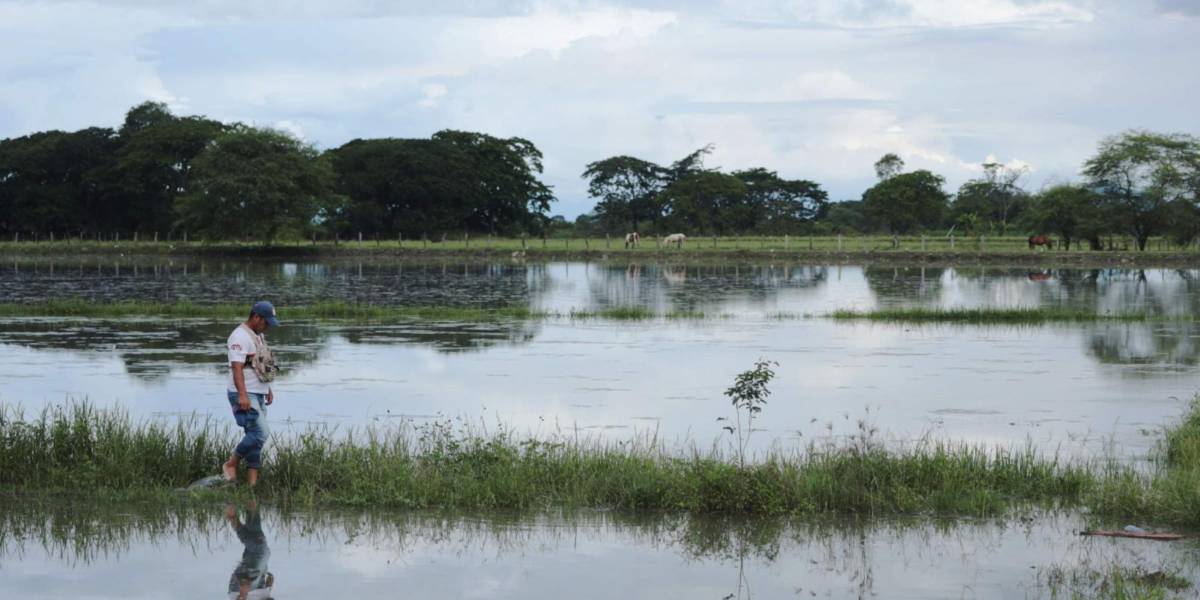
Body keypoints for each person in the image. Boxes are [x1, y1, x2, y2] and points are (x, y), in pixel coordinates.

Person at [222, 300, 280, 486]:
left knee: (255, 439)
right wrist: (243, 396)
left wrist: (268, 388)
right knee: (262, 433)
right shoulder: (239, 337)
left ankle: (251, 485)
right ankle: (231, 463)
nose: (268, 327)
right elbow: (237, 368)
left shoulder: (258, 335)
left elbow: (260, 365)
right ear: (256, 317)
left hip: (259, 392)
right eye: (266, 322)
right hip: (245, 394)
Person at [224, 500, 275, 600]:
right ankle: (249, 503)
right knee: (258, 543)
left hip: (245, 590)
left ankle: (239, 513)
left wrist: (243, 594)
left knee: (261, 550)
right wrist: (269, 587)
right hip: (259, 585)